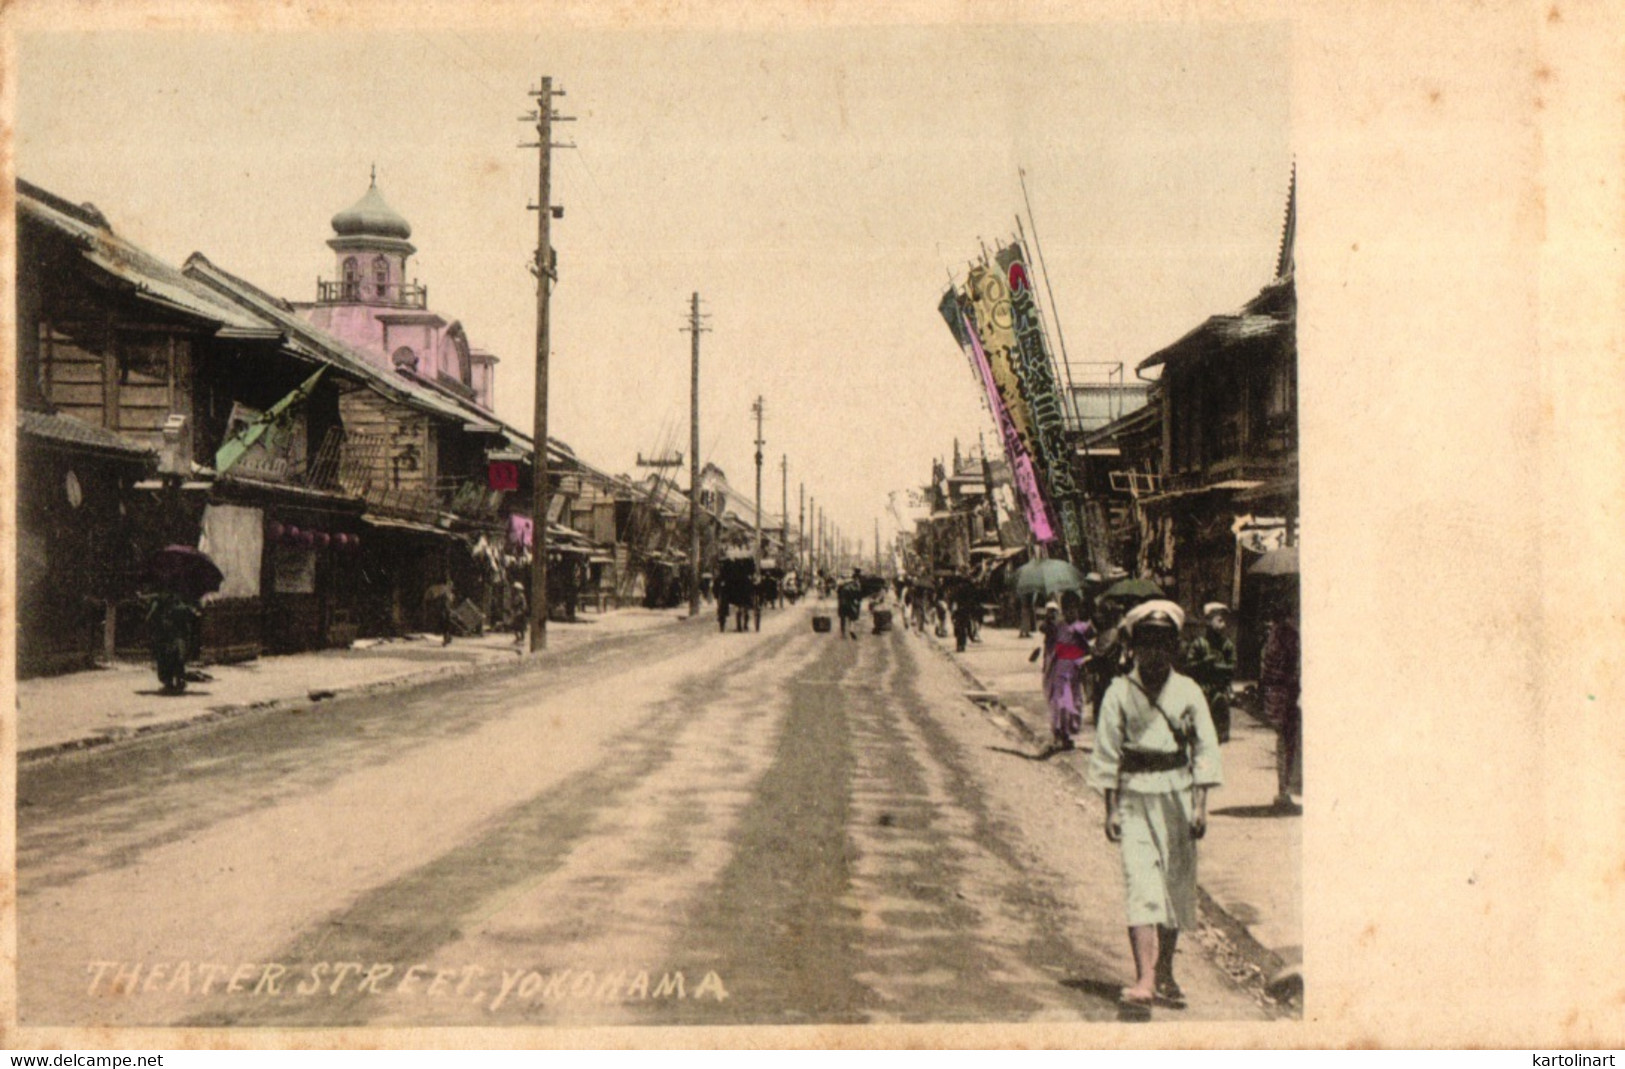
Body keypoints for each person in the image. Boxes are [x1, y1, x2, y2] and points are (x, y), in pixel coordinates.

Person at [1086, 600, 1222, 1015]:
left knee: (1175, 886)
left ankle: (1165, 968)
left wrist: (1201, 805)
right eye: (1147, 644)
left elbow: (1205, 749)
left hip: (1178, 794)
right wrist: (1109, 808)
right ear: (1135, 647)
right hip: (1134, 796)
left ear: (1174, 647)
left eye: (1163, 644)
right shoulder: (1119, 693)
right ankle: (1144, 977)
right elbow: (1107, 752)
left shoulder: (1188, 692)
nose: (1155, 653)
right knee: (1140, 883)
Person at [1260, 596, 1302, 809]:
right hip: (1289, 694)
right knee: (1289, 742)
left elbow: (1265, 670)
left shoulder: (1271, 638)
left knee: (1282, 742)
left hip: (1275, 695)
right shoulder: (1290, 636)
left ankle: (1282, 789)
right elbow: (1295, 668)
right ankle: (1285, 791)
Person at [1183, 602, 1237, 743]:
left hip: (1219, 693)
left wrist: (1216, 667)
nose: (1223, 625)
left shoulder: (1227, 645)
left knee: (1220, 737)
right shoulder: (1199, 644)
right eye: (1219, 620)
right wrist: (1203, 664)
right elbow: (1189, 667)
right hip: (1202, 692)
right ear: (1208, 621)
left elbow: (1232, 668)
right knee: (1199, 736)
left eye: (1225, 621)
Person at [836, 569, 863, 639]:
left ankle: (843, 633)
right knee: (852, 617)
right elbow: (858, 595)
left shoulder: (842, 583)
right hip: (851, 603)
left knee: (843, 618)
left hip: (842, 603)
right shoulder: (857, 585)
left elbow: (838, 592)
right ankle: (851, 629)